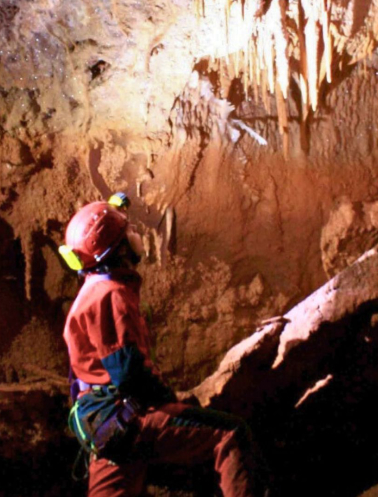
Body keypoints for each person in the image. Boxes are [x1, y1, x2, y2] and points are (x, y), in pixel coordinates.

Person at [60, 194, 267, 497]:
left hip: (103, 424)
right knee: (231, 435)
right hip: (126, 417)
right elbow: (129, 374)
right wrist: (172, 401)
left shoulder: (91, 292)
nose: (134, 237)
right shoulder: (111, 295)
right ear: (115, 251)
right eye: (126, 234)